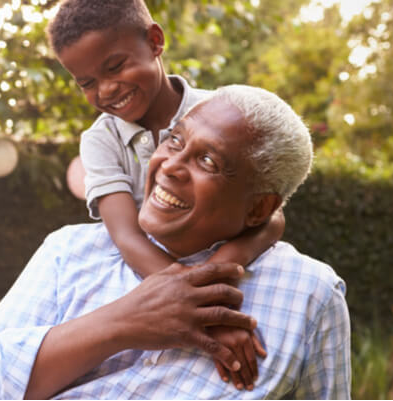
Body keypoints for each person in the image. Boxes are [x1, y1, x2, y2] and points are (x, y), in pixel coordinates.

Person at [0, 85, 351, 399]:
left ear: (260, 208)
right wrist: (122, 323)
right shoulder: (71, 252)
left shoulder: (311, 294)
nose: (170, 165)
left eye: (209, 161)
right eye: (175, 140)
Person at [48, 0, 284, 388]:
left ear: (155, 41)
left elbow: (272, 216)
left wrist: (213, 291)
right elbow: (125, 235)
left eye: (116, 66)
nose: (106, 90)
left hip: (212, 272)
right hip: (147, 281)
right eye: (87, 83)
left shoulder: (221, 113)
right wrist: (204, 311)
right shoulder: (100, 141)